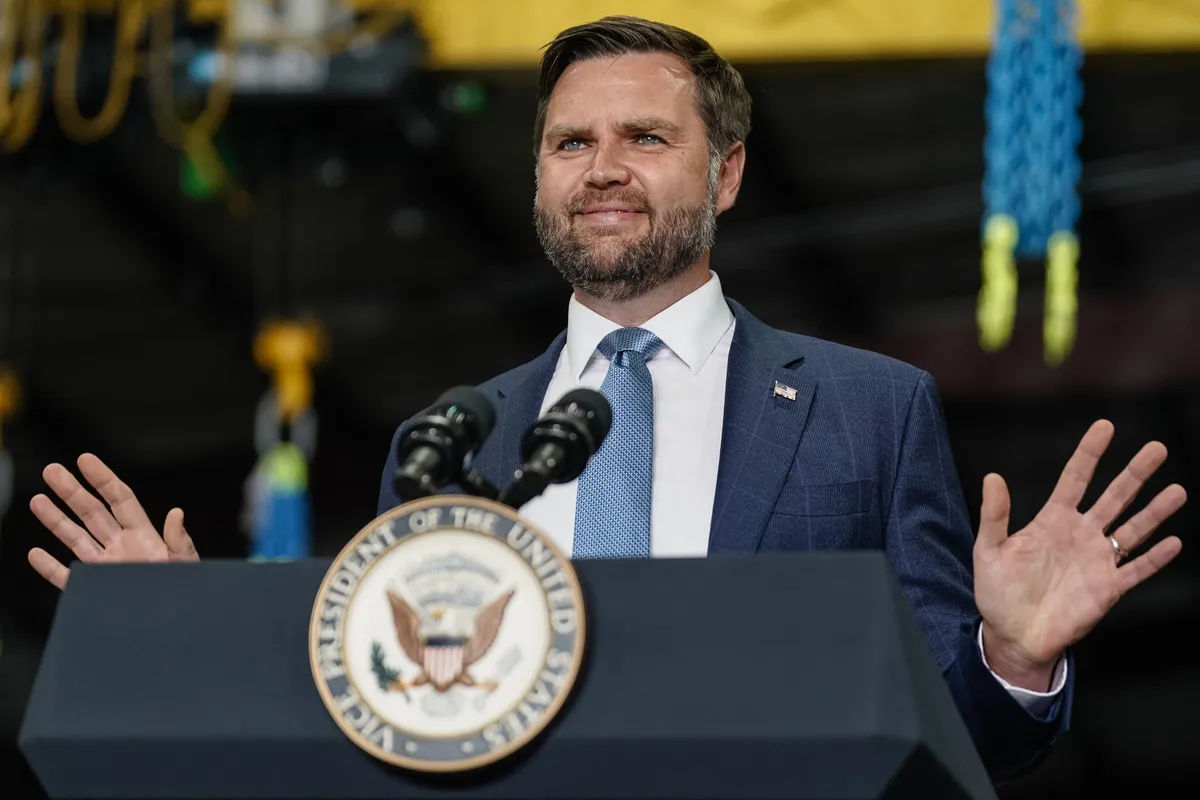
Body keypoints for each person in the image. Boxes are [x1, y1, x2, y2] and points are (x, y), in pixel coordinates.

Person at [27, 16, 1186, 783]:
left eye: (645, 135)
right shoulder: (447, 441)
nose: (602, 168)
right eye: (570, 142)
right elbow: (382, 723)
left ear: (724, 172)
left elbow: (953, 748)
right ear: (538, 177)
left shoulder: (870, 410)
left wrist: (1010, 657)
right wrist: (184, 644)